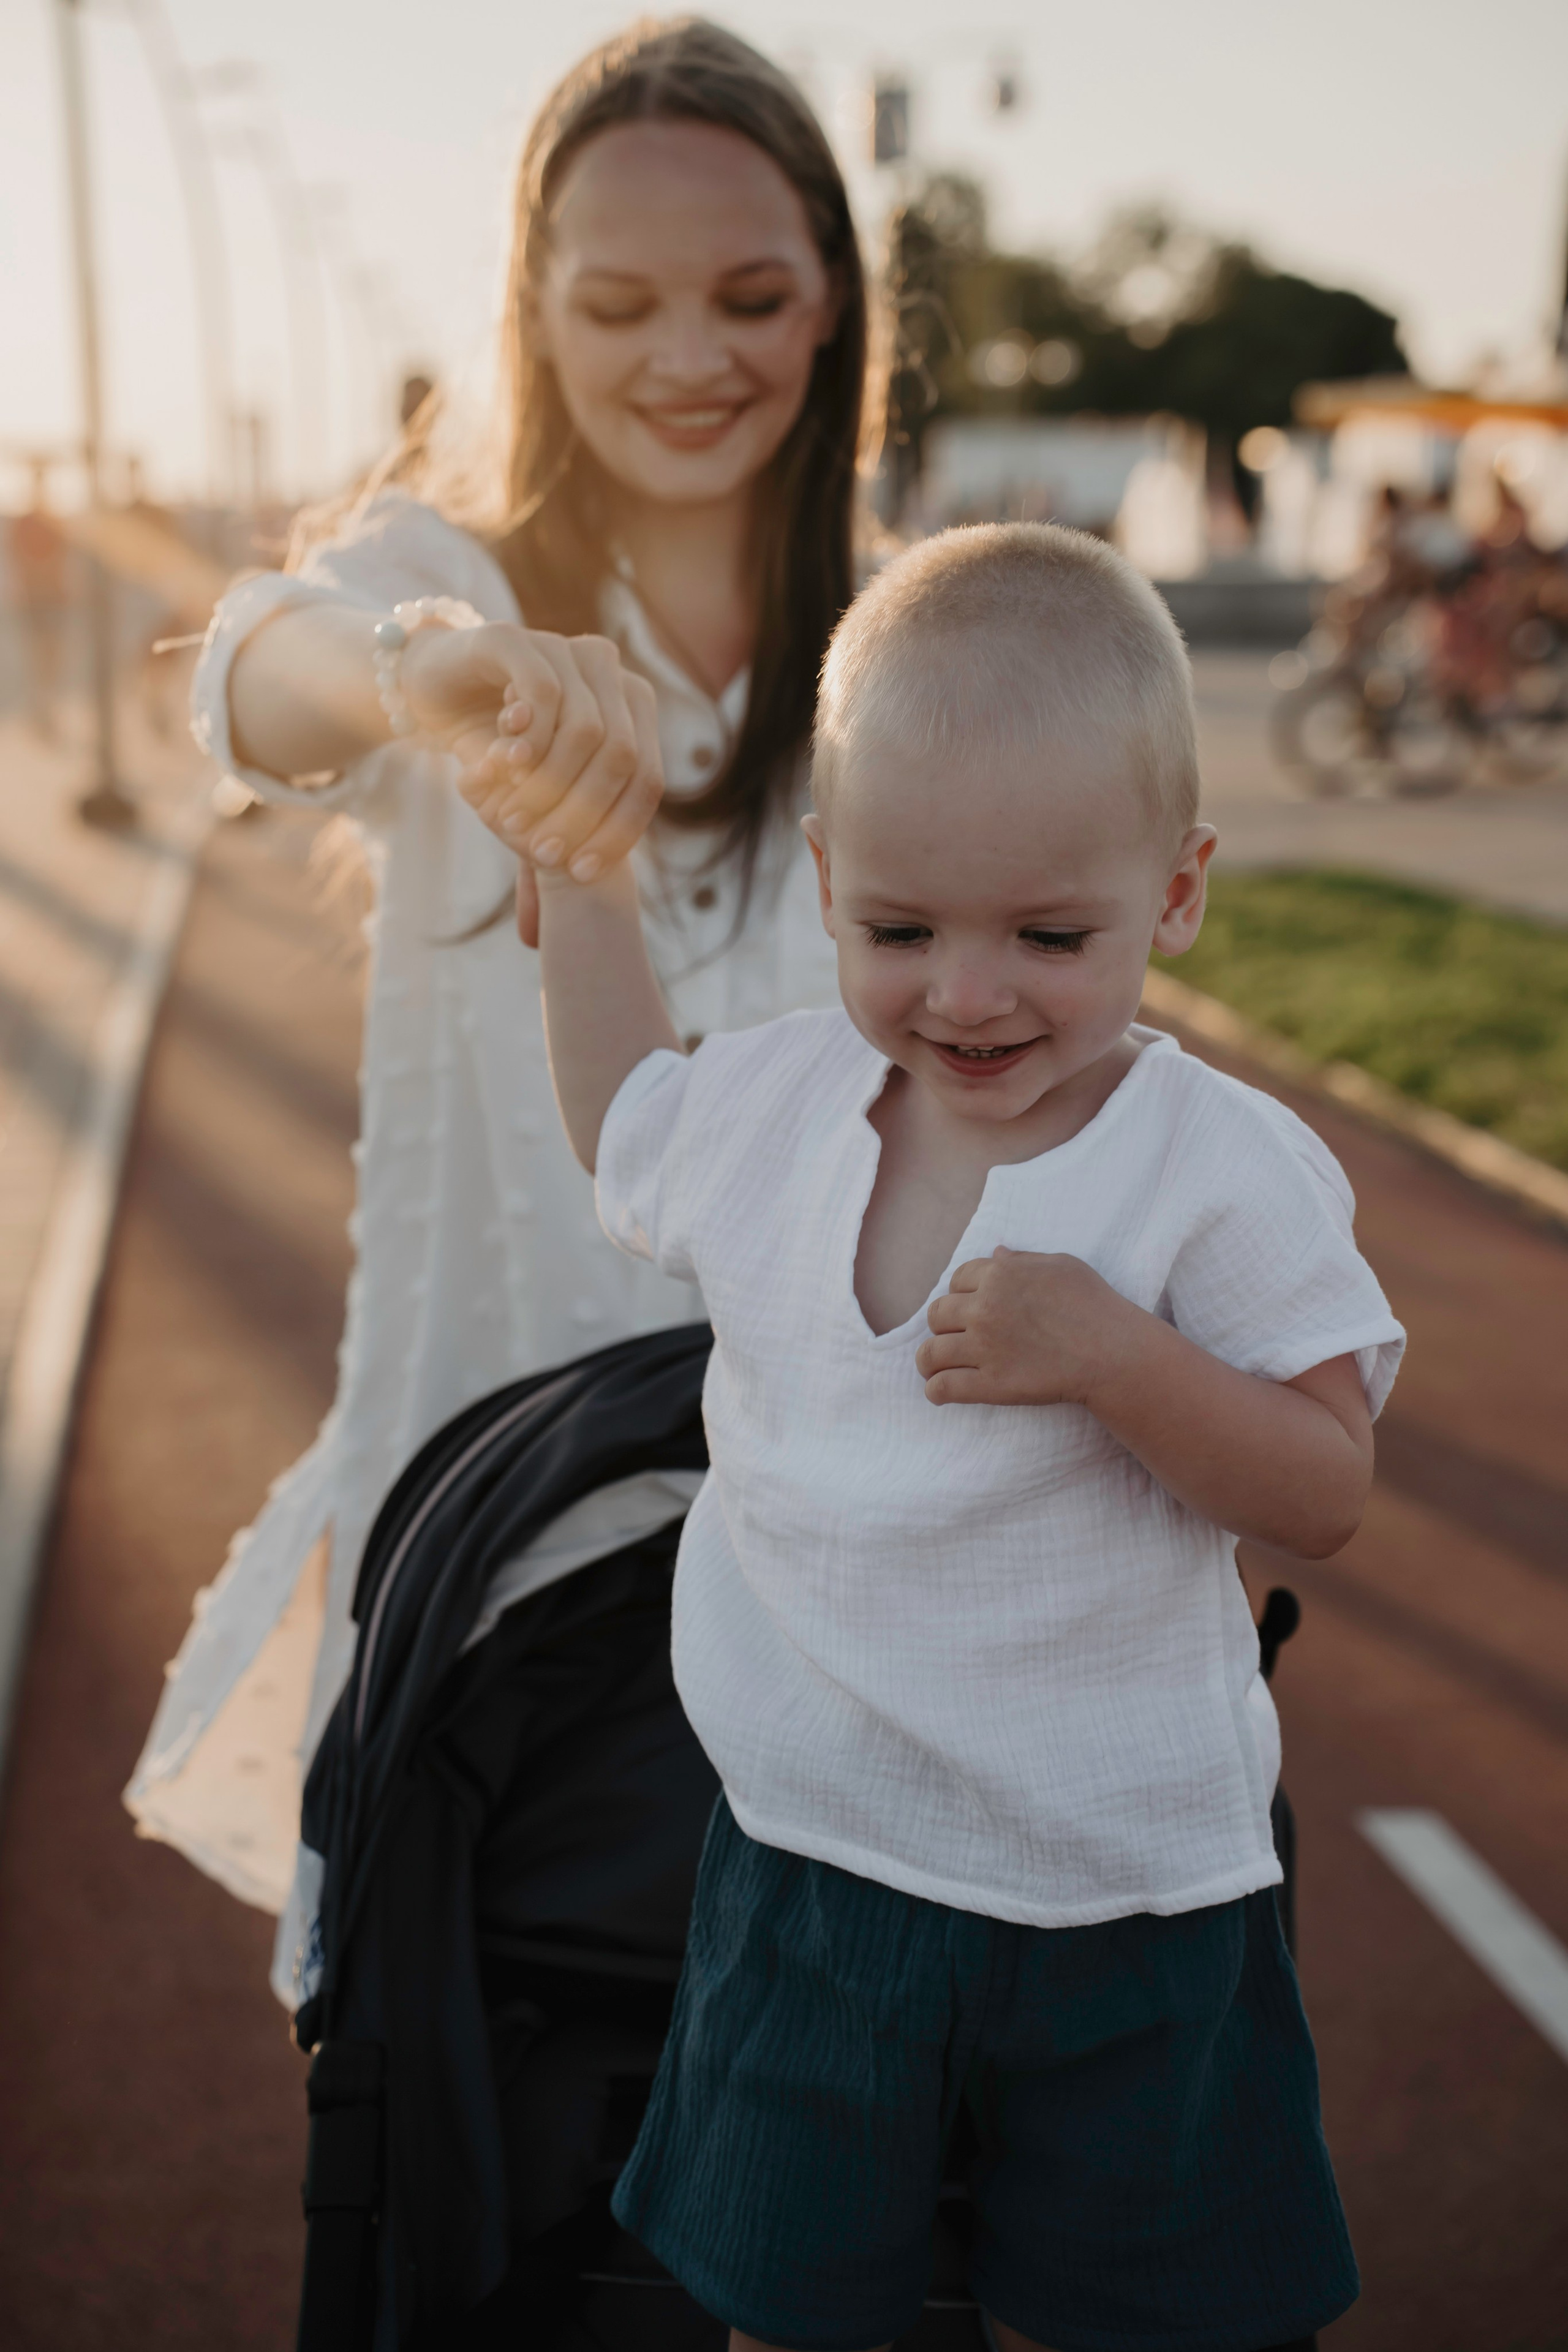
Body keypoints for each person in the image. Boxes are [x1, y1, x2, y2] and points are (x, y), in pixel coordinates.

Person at [468, 522, 1406, 2352]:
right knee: (791, 2306)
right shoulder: (784, 1107)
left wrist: (1122, 1360)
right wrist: (583, 894)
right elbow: (627, 1125)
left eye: (1052, 937)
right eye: (901, 930)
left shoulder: (1216, 1170)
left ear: (1180, 893)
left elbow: (1329, 1489)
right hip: (816, 1863)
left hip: (1126, 1893)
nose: (967, 996)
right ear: (826, 883)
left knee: (1161, 2317)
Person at [126, 16, 870, 2005]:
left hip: (839, 1610)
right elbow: (251, 676)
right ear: (533, 311)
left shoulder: (893, 654)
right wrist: (435, 674)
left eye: (750, 294)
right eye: (618, 302)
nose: (690, 355)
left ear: (834, 299)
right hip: (493, 1590)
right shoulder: (445, 578)